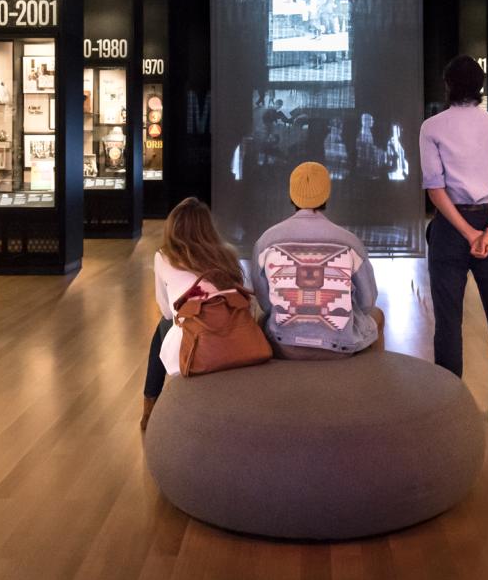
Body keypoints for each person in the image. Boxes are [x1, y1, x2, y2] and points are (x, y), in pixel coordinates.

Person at [419, 55, 488, 431]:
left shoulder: (432, 127)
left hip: (451, 229)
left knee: (448, 322)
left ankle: (449, 411)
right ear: (481, 86)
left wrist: (467, 233)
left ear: (447, 85)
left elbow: (435, 189)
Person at [252, 161, 384, 360]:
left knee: (262, 319)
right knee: (377, 315)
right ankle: (372, 379)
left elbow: (265, 302)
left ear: (291, 194)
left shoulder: (266, 241)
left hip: (283, 344)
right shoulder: (350, 242)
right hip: (338, 348)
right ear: (326, 195)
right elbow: (366, 302)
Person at [141, 197, 245, 430]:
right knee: (164, 326)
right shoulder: (227, 253)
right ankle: (149, 403)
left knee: (162, 326)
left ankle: (149, 405)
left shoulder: (164, 256)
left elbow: (167, 310)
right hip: (232, 333)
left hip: (195, 337)